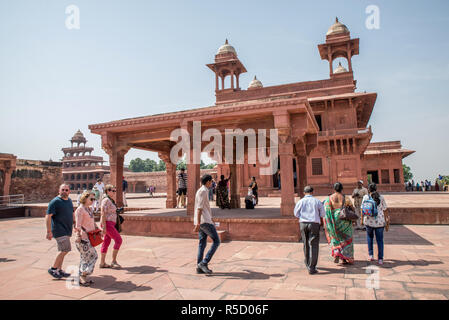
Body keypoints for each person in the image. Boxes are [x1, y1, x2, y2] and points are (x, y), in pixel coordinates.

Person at [294, 186, 325, 274]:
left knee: (305, 243)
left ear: (304, 193)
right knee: (314, 244)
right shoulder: (317, 201)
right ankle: (312, 267)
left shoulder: (300, 201)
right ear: (312, 192)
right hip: (314, 224)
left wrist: (303, 216)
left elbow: (296, 213)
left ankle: (308, 263)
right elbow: (323, 214)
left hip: (303, 223)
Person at [46, 184, 74, 279]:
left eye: (66, 190)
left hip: (67, 230)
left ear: (69, 191)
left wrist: (75, 224)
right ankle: (53, 268)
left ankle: (59, 269)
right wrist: (49, 231)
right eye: (63, 190)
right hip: (59, 230)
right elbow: (48, 216)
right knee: (65, 249)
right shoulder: (55, 201)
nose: (64, 191)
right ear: (59, 190)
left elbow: (72, 213)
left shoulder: (69, 201)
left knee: (62, 250)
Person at [323, 182, 355, 264]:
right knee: (346, 238)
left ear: (334, 189)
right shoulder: (345, 198)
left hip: (334, 221)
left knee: (335, 237)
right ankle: (346, 257)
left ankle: (337, 252)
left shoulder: (329, 198)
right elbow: (352, 208)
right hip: (344, 220)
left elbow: (326, 210)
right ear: (342, 189)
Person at [194, 174, 220, 274]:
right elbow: (199, 208)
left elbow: (203, 207)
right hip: (204, 221)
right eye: (211, 181)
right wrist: (199, 223)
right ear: (208, 181)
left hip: (202, 221)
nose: (212, 183)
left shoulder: (200, 190)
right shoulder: (204, 191)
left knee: (202, 243)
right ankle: (204, 263)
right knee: (216, 241)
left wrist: (198, 222)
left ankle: (199, 267)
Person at [74, 190, 99, 286]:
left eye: (94, 199)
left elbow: (92, 222)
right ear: (85, 198)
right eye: (91, 199)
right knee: (93, 256)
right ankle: (83, 275)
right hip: (83, 238)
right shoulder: (80, 210)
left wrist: (98, 229)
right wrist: (78, 236)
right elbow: (78, 225)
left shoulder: (88, 209)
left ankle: (82, 276)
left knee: (85, 257)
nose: (93, 201)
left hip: (90, 237)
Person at [362, 183, 389, 265]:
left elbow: (362, 209)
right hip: (380, 222)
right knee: (380, 240)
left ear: (368, 190)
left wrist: (361, 219)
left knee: (369, 238)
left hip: (369, 221)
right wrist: (387, 221)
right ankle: (380, 259)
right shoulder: (381, 197)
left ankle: (371, 255)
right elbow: (385, 210)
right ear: (376, 189)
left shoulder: (366, 197)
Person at [99, 184, 123, 269]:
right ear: (107, 191)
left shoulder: (110, 200)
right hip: (108, 224)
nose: (114, 192)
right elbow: (103, 213)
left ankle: (102, 263)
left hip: (110, 223)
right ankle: (113, 261)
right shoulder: (106, 200)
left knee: (106, 242)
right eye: (113, 191)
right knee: (118, 240)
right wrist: (104, 227)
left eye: (114, 191)